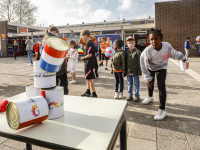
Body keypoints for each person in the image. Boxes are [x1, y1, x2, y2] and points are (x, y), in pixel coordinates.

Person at [140, 28, 186, 120]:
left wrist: (182, 57)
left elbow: (174, 53)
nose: (154, 41)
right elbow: (143, 65)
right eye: (151, 40)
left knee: (161, 86)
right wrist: (148, 78)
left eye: (156, 38)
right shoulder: (147, 52)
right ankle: (150, 96)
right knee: (150, 84)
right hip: (150, 67)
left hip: (162, 66)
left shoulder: (167, 46)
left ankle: (162, 109)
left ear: (161, 38)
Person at [43, 26, 69, 95]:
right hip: (59, 67)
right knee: (64, 85)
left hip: (49, 67)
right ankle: (64, 98)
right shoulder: (55, 39)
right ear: (55, 32)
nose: (58, 35)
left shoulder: (45, 39)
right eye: (58, 34)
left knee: (53, 86)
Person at [80, 29, 98, 98]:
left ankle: (94, 93)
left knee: (90, 79)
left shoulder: (89, 43)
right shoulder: (88, 43)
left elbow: (90, 55)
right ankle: (88, 91)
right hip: (87, 63)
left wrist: (83, 58)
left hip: (89, 63)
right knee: (87, 78)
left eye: (82, 37)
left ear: (85, 36)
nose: (82, 38)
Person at [125, 36, 142, 102]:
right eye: (129, 43)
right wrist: (125, 71)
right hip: (129, 71)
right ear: (127, 44)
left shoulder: (137, 52)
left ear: (134, 43)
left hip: (136, 71)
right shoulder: (127, 53)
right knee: (129, 83)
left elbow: (139, 62)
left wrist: (139, 72)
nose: (131, 44)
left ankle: (137, 96)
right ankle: (130, 95)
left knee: (137, 84)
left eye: (132, 43)